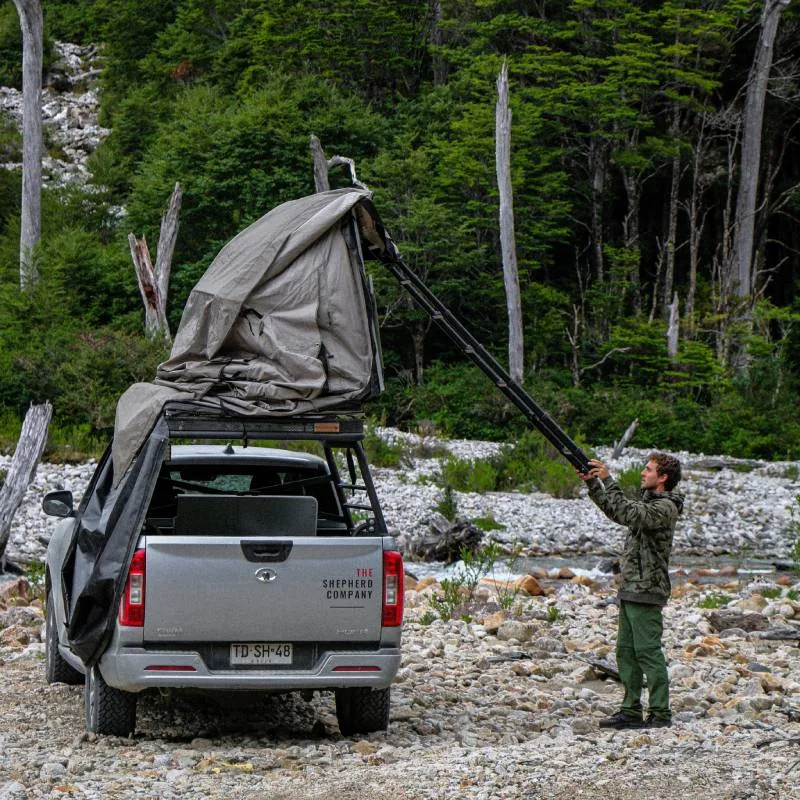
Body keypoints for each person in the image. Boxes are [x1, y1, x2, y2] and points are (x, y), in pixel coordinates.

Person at [580, 453, 684, 729]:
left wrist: (608, 480)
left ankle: (660, 713)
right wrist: (592, 483)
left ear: (663, 478)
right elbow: (616, 511)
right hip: (630, 588)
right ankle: (630, 710)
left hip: (648, 589)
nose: (643, 473)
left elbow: (629, 513)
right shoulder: (649, 503)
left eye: (648, 470)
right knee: (626, 652)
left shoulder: (666, 507)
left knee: (648, 652)